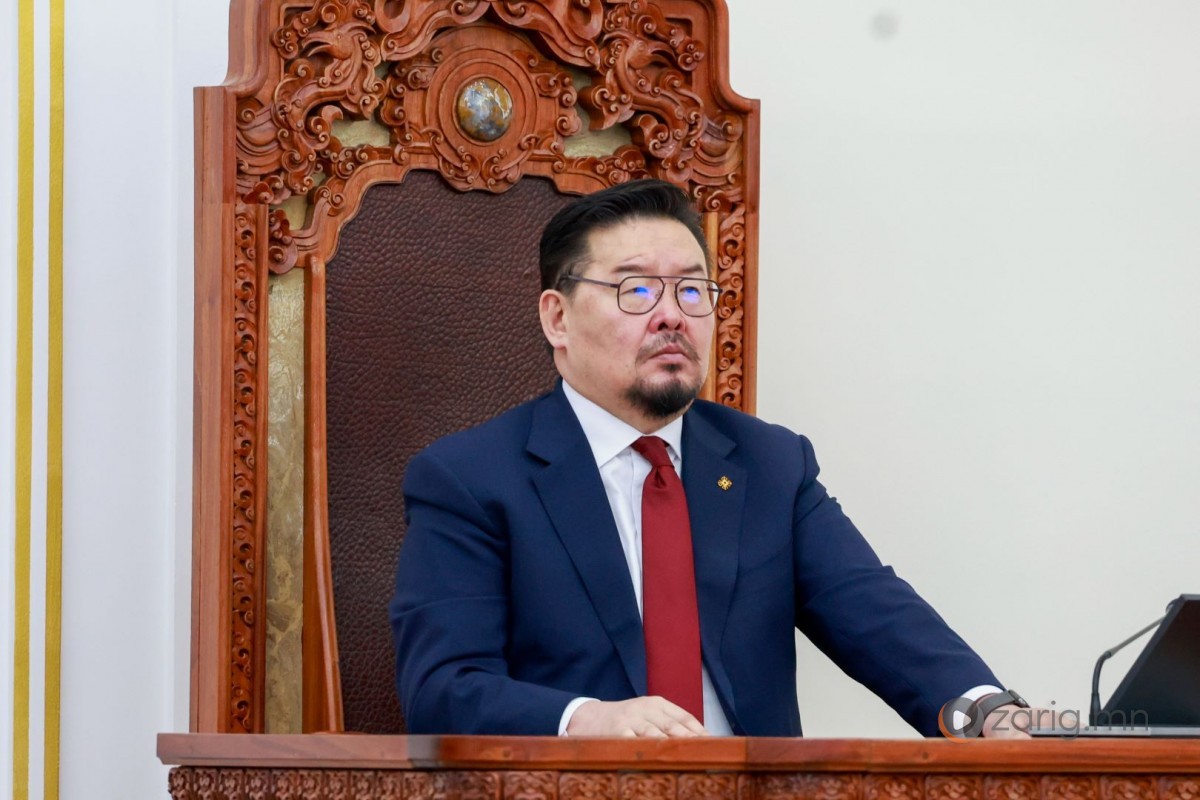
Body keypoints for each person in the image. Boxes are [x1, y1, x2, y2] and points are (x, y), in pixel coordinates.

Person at [389, 179, 1026, 738]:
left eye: (692, 291)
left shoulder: (771, 464)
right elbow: (443, 689)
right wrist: (584, 719)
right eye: (637, 289)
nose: (672, 316)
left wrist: (987, 713)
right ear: (558, 318)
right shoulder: (471, 480)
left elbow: (877, 615)